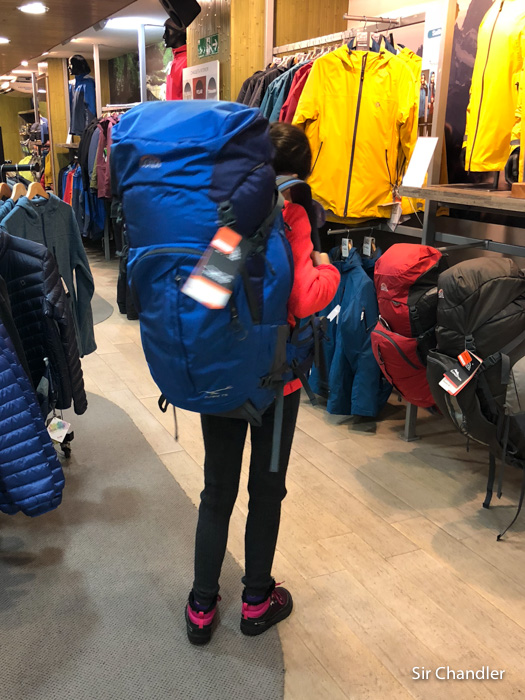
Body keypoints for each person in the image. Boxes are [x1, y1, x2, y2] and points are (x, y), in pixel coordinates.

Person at [185, 122, 340, 645]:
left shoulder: (227, 212)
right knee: (266, 491)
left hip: (223, 379)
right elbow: (304, 297)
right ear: (299, 171)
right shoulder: (294, 215)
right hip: (278, 385)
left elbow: (207, 291)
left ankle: (202, 606)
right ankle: (256, 602)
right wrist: (329, 270)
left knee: (216, 491)